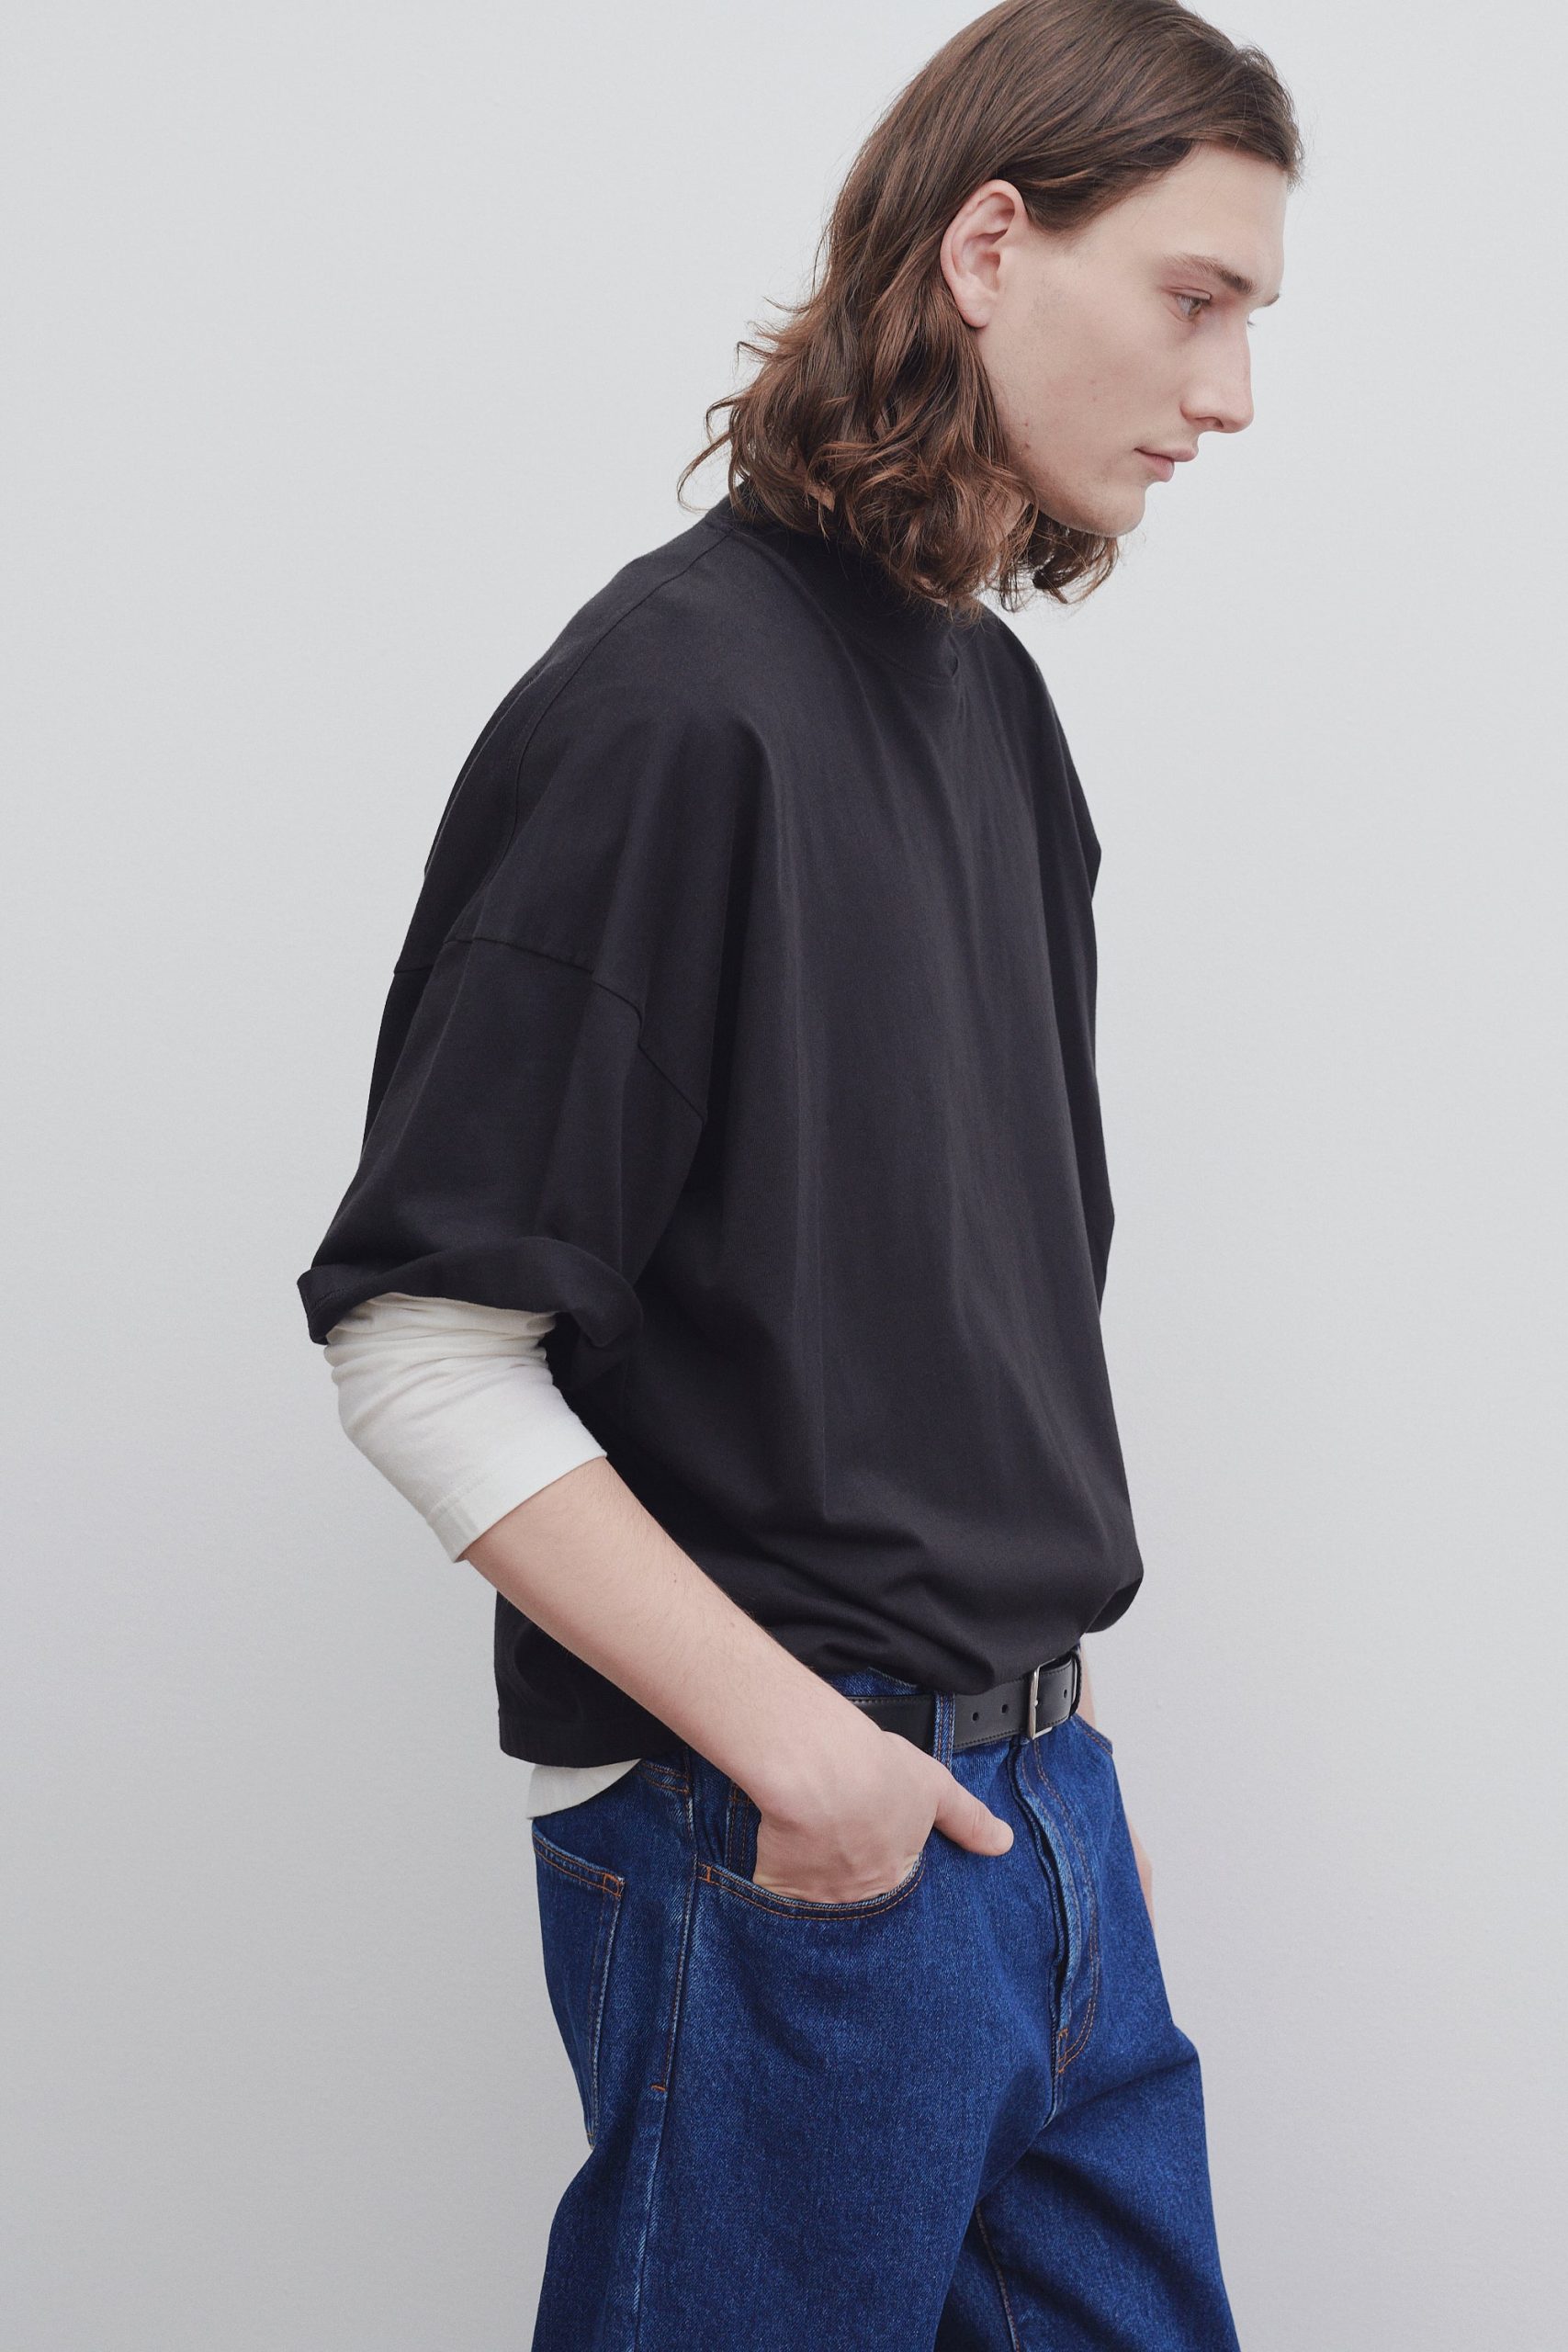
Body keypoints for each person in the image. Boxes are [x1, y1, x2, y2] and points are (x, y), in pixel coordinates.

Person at [297, 2, 1301, 2341]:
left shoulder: (988, 705)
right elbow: (421, 1335)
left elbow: (962, 1330)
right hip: (790, 1843)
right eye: (1191, 297)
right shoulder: (670, 706)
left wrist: (1043, 1773)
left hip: (1024, 1822)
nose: (1232, 391)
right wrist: (813, 1764)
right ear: (986, 247)